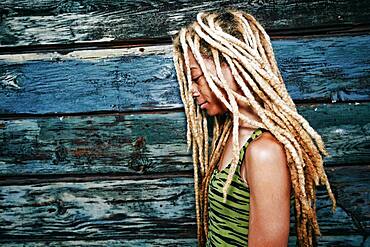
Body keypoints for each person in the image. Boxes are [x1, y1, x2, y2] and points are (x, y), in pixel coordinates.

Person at [172, 9, 336, 247]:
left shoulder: (264, 153)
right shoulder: (230, 135)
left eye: (196, 78)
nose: (192, 92)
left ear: (231, 66)